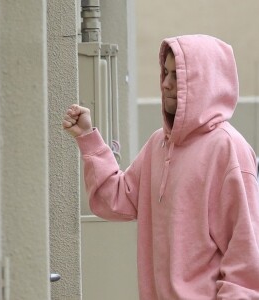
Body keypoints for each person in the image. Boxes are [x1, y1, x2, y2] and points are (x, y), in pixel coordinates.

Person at [63, 34, 259, 299]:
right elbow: (114, 200)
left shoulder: (229, 150)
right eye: (165, 73)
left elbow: (245, 259)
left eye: (177, 76)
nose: (166, 84)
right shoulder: (160, 143)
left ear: (205, 81)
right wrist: (88, 139)